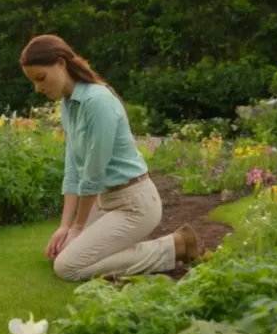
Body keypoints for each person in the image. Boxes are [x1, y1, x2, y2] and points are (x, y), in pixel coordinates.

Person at [19, 34, 201, 282]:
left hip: (134, 205)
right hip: (106, 202)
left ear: (61, 63)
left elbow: (93, 175)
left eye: (41, 78)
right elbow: (73, 168)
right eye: (33, 81)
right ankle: (128, 249)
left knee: (67, 267)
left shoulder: (97, 101)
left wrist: (78, 228)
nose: (38, 87)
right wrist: (64, 226)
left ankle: (175, 246)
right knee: (63, 252)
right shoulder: (68, 104)